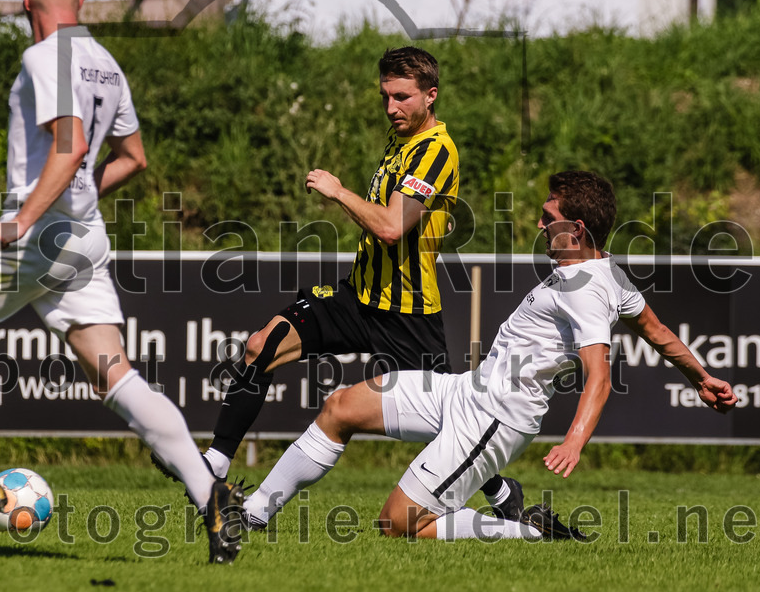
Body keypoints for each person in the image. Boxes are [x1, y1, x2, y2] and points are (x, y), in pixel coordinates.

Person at [0, 0, 244, 563]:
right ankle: (209, 496)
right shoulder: (106, 64)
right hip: (84, 237)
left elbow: (73, 147)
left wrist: (22, 220)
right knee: (118, 377)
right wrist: (77, 193)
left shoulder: (44, 57)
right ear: (81, 1)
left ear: (23, 1)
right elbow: (132, 157)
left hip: (36, 238)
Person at [241, 171, 738, 541]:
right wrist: (701, 377)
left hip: (496, 419)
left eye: (549, 217)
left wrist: (574, 442)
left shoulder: (586, 289)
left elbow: (600, 377)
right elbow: (657, 330)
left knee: (397, 526)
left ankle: (531, 532)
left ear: (577, 228)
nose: (540, 224)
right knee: (341, 407)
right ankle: (254, 512)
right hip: (466, 391)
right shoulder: (607, 271)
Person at [185, 46, 522, 521]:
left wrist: (338, 190)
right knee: (264, 344)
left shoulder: (436, 150)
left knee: (451, 421)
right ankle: (214, 465)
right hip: (358, 296)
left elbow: (389, 226)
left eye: (402, 97)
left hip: (407, 311)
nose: (391, 108)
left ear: (431, 95)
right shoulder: (400, 139)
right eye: (385, 96)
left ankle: (504, 498)